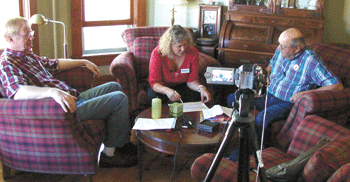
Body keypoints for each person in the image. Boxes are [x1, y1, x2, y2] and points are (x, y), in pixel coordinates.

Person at [0, 17, 137, 168]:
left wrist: (83, 62)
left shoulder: (27, 55)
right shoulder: (7, 63)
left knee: (113, 86)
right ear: (10, 38)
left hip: (73, 97)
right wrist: (53, 92)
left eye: (31, 32)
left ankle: (122, 143)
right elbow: (17, 91)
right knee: (119, 99)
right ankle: (109, 155)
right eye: (26, 35)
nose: (32, 37)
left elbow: (54, 64)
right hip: (63, 109)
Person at [226, 28, 344, 161]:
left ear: (297, 48)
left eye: (283, 46)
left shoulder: (311, 61)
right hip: (268, 94)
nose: (278, 48)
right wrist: (266, 74)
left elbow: (336, 85)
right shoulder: (281, 51)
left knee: (262, 118)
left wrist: (305, 93)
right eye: (279, 44)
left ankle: (249, 152)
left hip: (286, 102)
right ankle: (232, 141)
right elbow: (272, 64)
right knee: (233, 98)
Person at [147, 25, 211, 104]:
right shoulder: (157, 53)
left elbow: (192, 80)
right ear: (169, 45)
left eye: (185, 44)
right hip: (161, 87)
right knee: (154, 98)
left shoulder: (193, 52)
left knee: (197, 96)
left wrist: (201, 88)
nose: (183, 49)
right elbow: (154, 82)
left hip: (182, 86)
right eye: (179, 46)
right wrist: (167, 91)